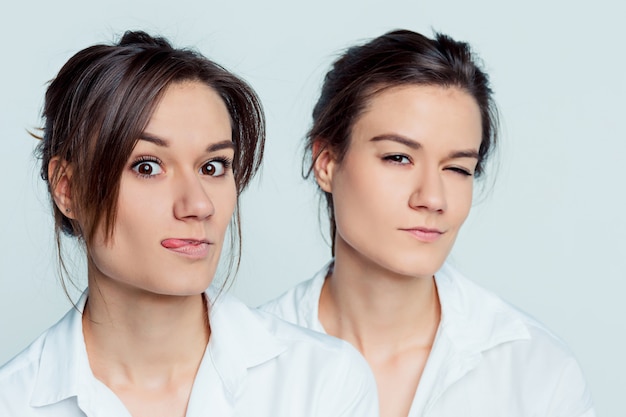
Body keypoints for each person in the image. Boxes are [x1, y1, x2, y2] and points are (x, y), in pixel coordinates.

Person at [0, 30, 378, 417]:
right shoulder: (13, 402)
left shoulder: (323, 382)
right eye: (147, 166)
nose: (198, 204)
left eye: (212, 167)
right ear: (68, 188)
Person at [261, 29, 595, 417]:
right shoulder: (243, 362)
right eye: (399, 158)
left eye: (457, 168)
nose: (433, 199)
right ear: (327, 162)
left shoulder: (535, 372)